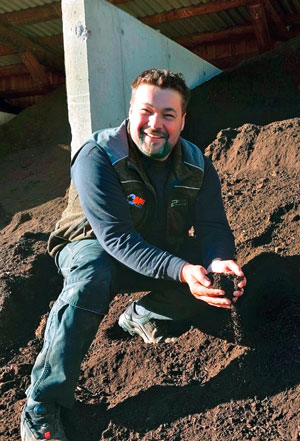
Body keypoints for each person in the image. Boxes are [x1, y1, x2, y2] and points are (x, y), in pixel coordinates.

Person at [21, 69, 246, 441]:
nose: (155, 124)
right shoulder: (98, 156)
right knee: (92, 273)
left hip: (158, 250)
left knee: (213, 279)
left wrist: (219, 259)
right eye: (146, 111)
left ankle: (142, 316)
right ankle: (42, 403)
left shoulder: (197, 165)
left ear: (183, 120)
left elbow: (214, 227)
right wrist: (181, 269)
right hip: (91, 246)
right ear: (130, 110)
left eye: (168, 115)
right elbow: (116, 238)